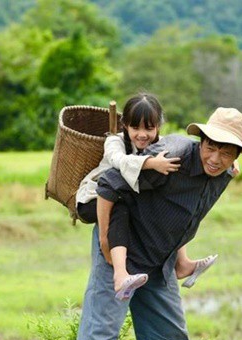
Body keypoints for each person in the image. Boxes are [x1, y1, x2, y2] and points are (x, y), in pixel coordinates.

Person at [74, 107, 242, 340]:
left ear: (236, 155)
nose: (215, 159)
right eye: (211, 148)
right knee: (100, 336)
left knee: (169, 339)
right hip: (121, 248)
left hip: (160, 259)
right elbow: (108, 185)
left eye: (225, 153)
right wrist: (105, 241)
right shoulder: (172, 158)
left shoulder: (225, 172)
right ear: (201, 141)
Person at [75, 93, 227, 300]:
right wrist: (150, 163)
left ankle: (183, 263)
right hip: (96, 197)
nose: (142, 135)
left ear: (158, 127)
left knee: (168, 201)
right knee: (121, 209)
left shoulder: (161, 146)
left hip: (127, 195)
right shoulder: (115, 142)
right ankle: (120, 274)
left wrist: (227, 159)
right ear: (125, 125)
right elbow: (117, 163)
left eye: (149, 128)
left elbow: (190, 148)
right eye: (135, 128)